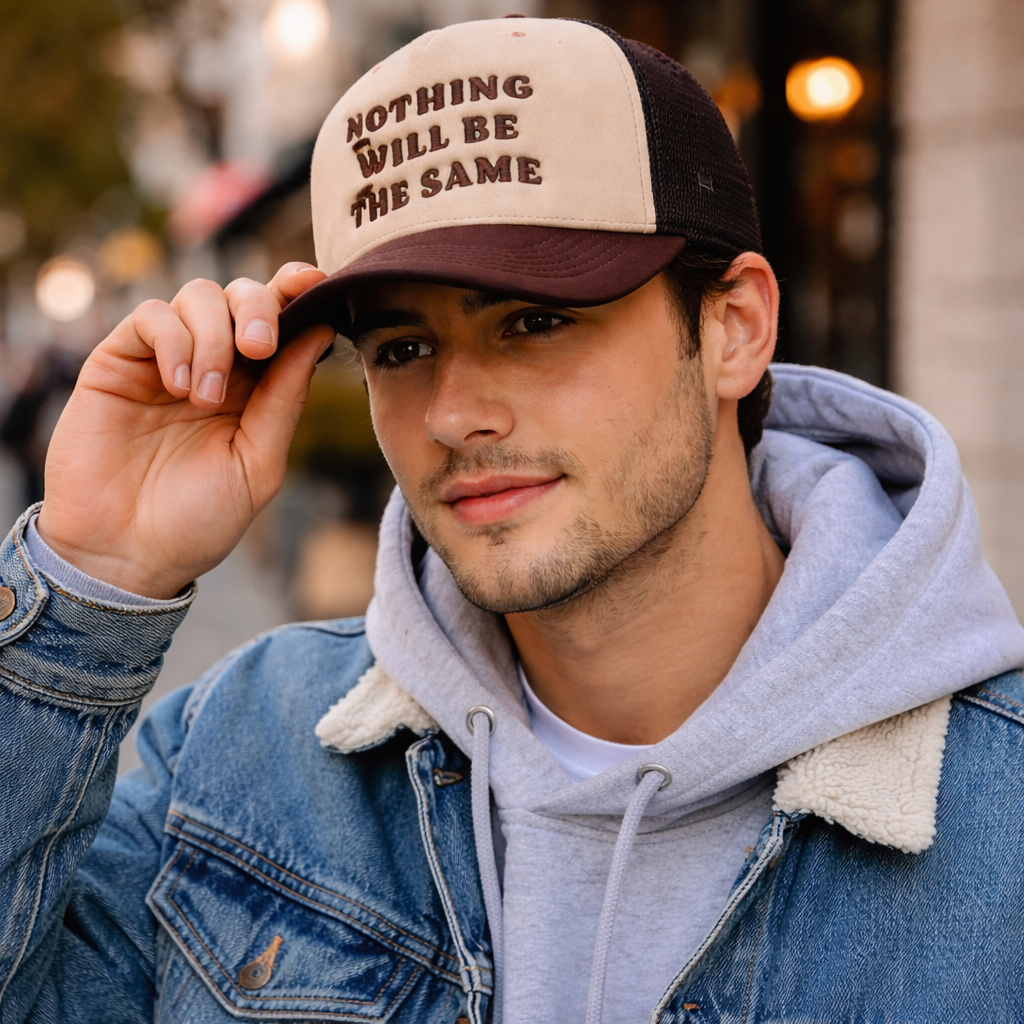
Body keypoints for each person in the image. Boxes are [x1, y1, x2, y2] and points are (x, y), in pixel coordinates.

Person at [1, 17, 1023, 1024]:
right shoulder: (245, 750)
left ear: (732, 328)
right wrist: (97, 569)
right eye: (401, 348)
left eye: (534, 323)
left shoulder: (997, 815)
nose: (453, 415)